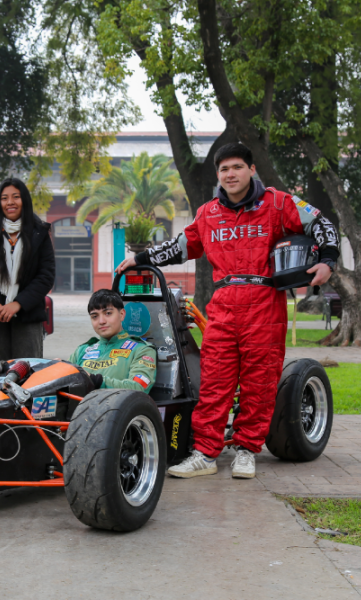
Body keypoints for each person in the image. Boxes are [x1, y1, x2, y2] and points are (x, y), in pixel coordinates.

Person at [117, 142, 339, 480]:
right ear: (218, 175)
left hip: (265, 303)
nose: (230, 174)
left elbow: (321, 224)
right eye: (224, 169)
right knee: (215, 381)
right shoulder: (208, 213)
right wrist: (140, 258)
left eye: (236, 167)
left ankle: (247, 450)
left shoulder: (279, 203)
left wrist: (328, 261)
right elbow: (181, 246)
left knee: (259, 381)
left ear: (251, 170)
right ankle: (205, 453)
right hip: (223, 305)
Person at [0, 177, 55, 362]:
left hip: (28, 313)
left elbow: (46, 276)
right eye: (4, 198)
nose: (10, 202)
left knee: (28, 373)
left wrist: (18, 304)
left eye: (16, 197)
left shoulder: (39, 232)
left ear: (25, 200)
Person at [69, 289, 157, 391]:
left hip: (116, 406)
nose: (101, 321)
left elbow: (138, 387)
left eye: (108, 313)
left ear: (122, 314)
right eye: (95, 316)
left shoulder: (142, 350)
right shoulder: (82, 350)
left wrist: (94, 380)